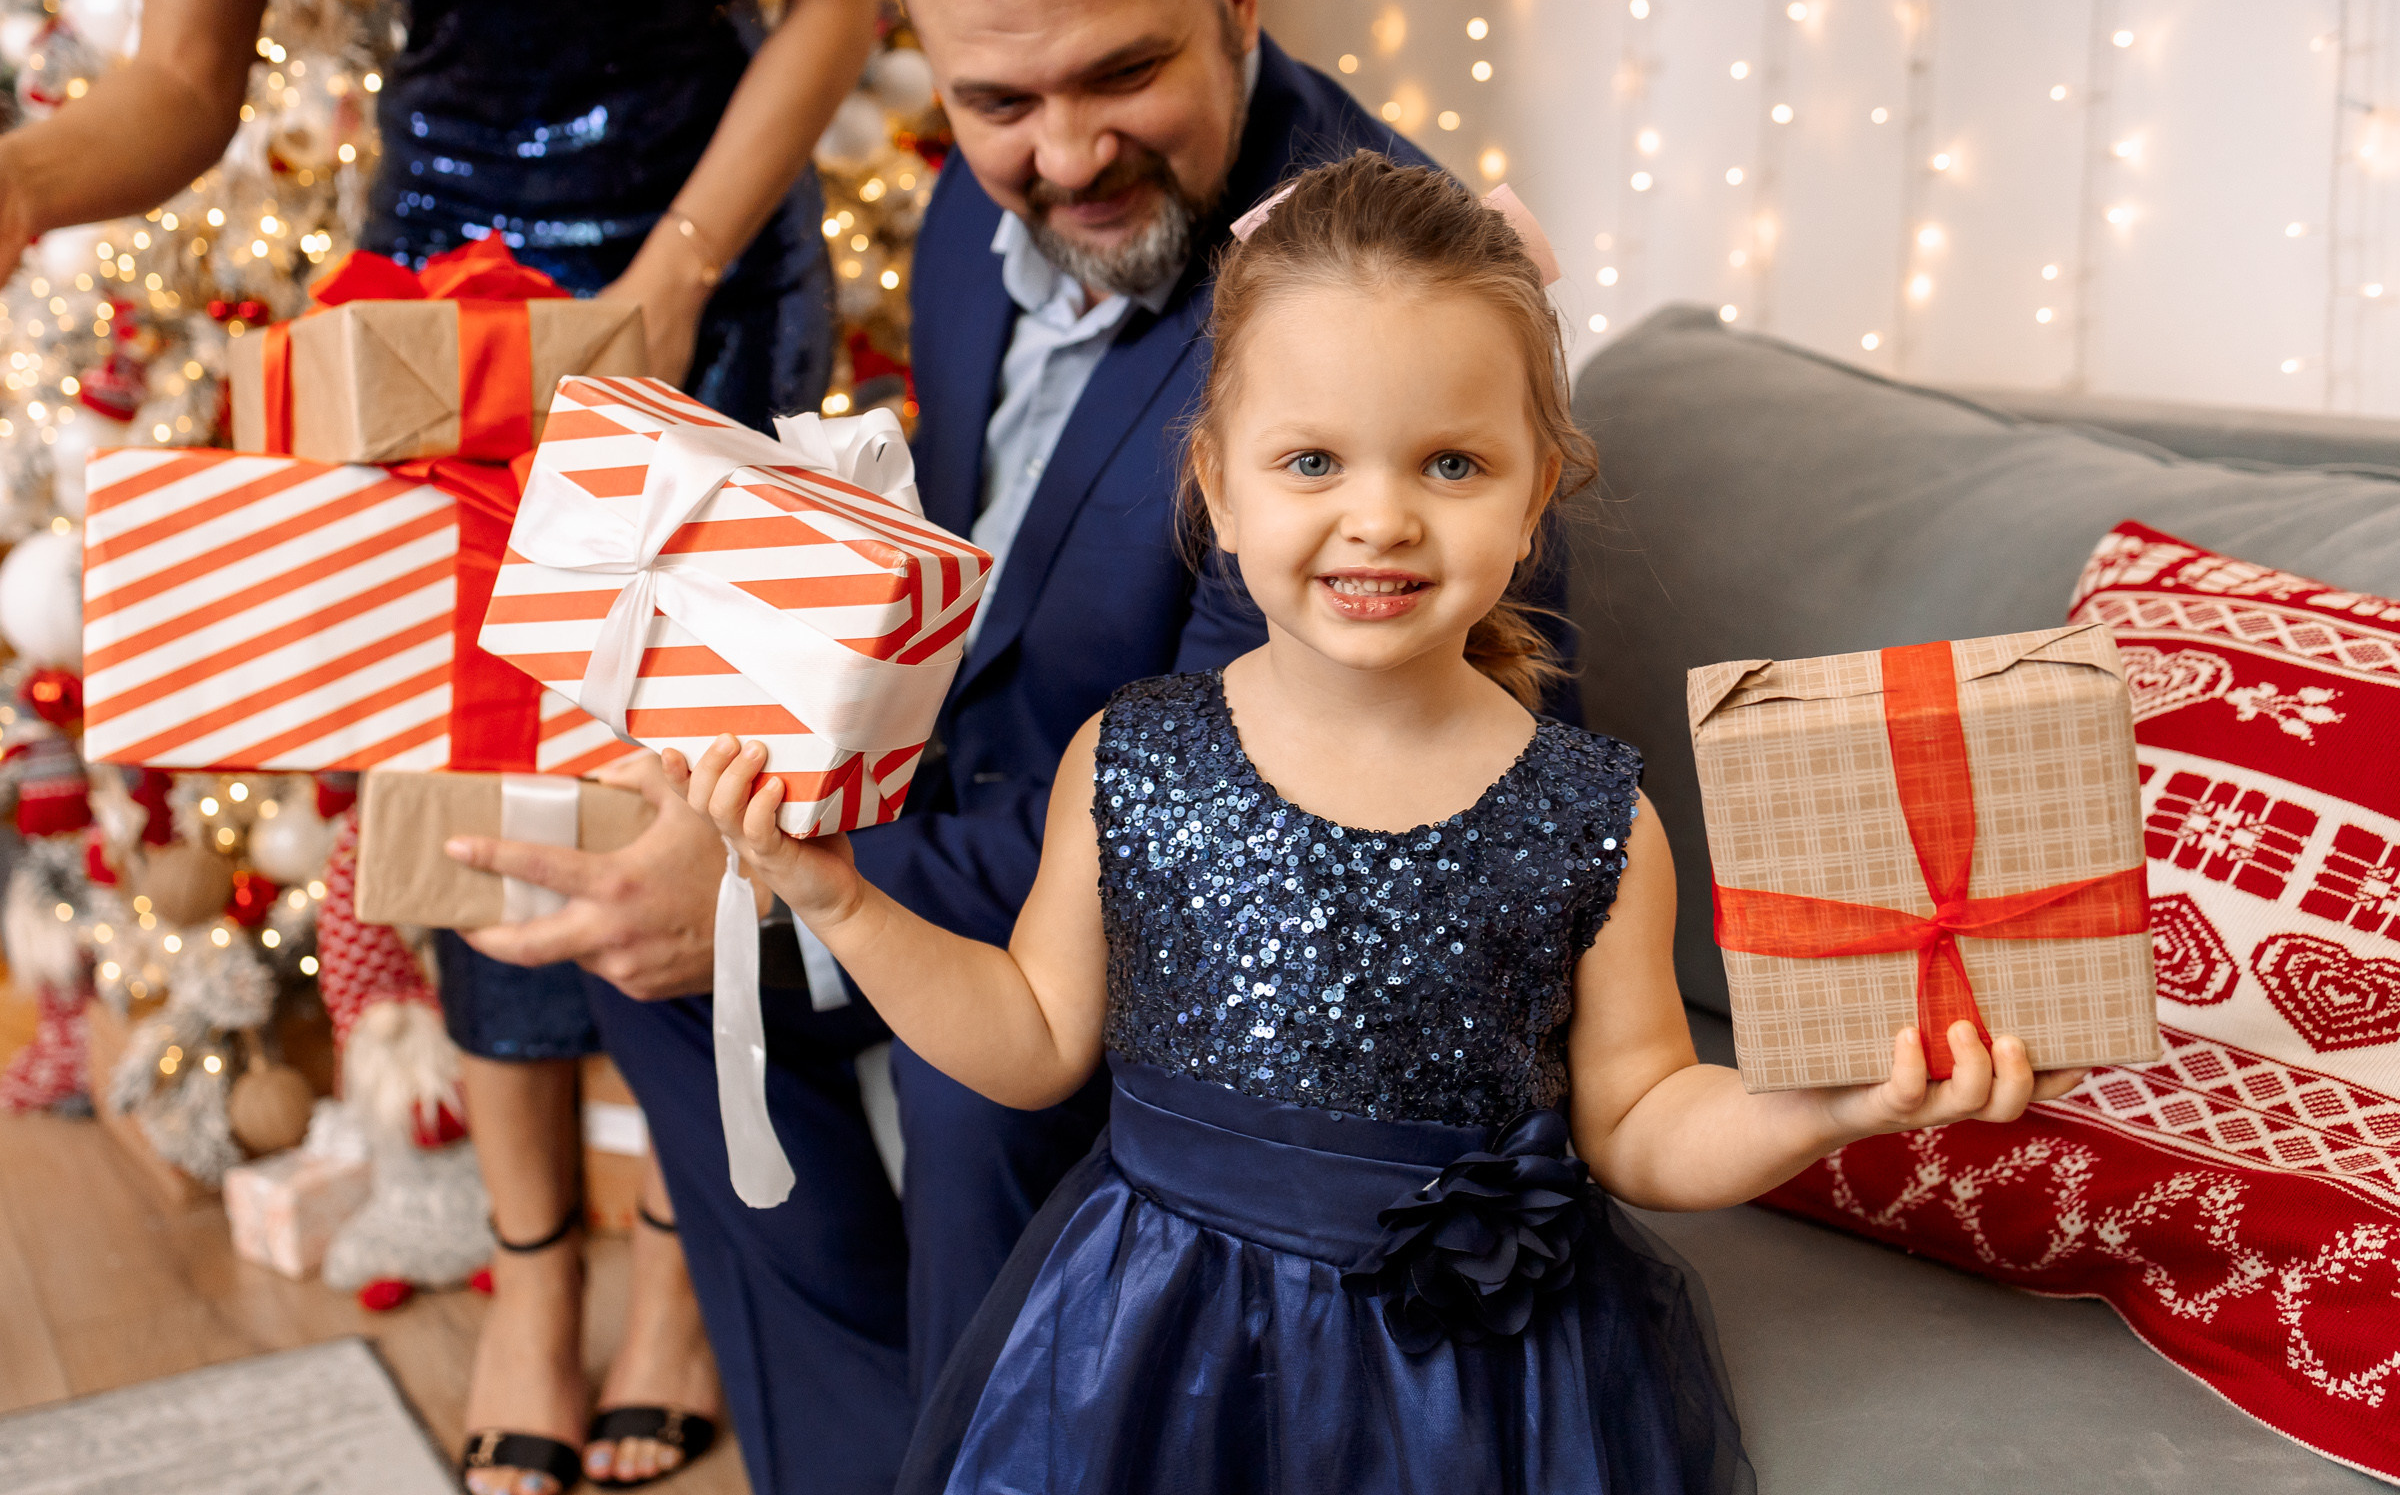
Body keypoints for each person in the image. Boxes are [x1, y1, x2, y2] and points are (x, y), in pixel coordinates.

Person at [678, 151, 2096, 1493]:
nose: (1380, 520)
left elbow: (1647, 1121)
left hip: (1461, 1393)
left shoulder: (1594, 818)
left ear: (1537, 490)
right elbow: (1035, 1041)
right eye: (1312, 464)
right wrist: (840, 898)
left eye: (1450, 466)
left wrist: (1836, 1099)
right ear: (1216, 489)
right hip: (1155, 1351)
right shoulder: (1134, 759)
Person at [439, 0, 1538, 1489]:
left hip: (1256, 911)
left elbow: (1241, 817)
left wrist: (793, 888)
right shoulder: (970, 213)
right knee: (639, 946)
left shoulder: (1382, 312)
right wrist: (734, 792)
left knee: (964, 1083)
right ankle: (879, 1453)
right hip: (1006, 806)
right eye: (1000, 103)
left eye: (1123, 75)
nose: (1069, 157)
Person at [0, 0, 882, 1489]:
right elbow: (188, 78)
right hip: (443, 287)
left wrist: (675, 277)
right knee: (470, 801)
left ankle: (676, 1293)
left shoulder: (701, 261)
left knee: (686, 802)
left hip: (706, 251)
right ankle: (537, 1282)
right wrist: (19, 178)